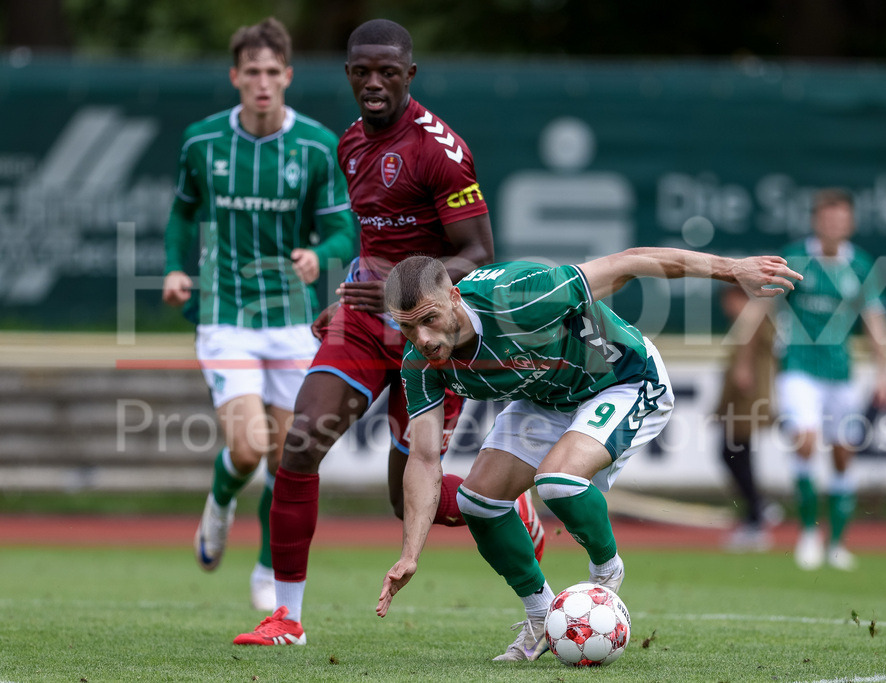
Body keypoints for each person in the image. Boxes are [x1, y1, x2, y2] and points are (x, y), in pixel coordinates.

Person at [233, 18, 542, 646]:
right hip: (365, 323)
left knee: (408, 502)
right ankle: (286, 617)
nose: (373, 83)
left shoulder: (439, 150)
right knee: (300, 444)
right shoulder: (350, 144)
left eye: (387, 72)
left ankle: (506, 504)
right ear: (349, 73)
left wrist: (406, 284)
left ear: (410, 75)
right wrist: (348, 292)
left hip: (434, 339)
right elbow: (375, 241)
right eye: (361, 72)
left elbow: (479, 252)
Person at [374, 247, 802, 661]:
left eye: (428, 320)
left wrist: (733, 269)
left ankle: (605, 574)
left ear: (454, 296)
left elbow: (631, 262)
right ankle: (542, 616)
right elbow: (426, 459)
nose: (422, 339)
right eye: (408, 329)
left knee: (557, 481)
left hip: (624, 379)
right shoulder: (419, 363)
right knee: (477, 502)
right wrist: (410, 554)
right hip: (546, 397)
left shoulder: (522, 297)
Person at [162, 17, 359, 611]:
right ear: (236, 77)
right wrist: (176, 268)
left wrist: (317, 254)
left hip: (291, 320)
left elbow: (342, 229)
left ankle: (269, 567)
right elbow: (181, 213)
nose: (263, 82)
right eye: (253, 72)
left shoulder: (317, 145)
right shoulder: (203, 141)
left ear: (288, 76)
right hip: (226, 315)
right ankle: (221, 503)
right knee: (247, 449)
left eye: (274, 72)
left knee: (288, 454)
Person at [774, 188, 886, 571]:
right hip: (797, 366)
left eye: (841, 219)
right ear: (816, 221)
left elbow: (875, 321)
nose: (834, 225)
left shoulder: (860, 265)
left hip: (841, 372)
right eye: (827, 218)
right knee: (806, 441)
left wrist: (883, 373)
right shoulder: (794, 258)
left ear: (850, 223)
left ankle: (837, 543)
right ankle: (808, 531)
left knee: (843, 454)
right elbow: (763, 308)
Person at [714, 284, 782, 552]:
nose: (726, 307)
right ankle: (756, 509)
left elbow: (745, 362)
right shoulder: (746, 323)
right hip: (738, 399)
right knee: (736, 454)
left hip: (747, 400)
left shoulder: (756, 317)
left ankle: (757, 512)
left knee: (734, 453)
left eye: (730, 299)